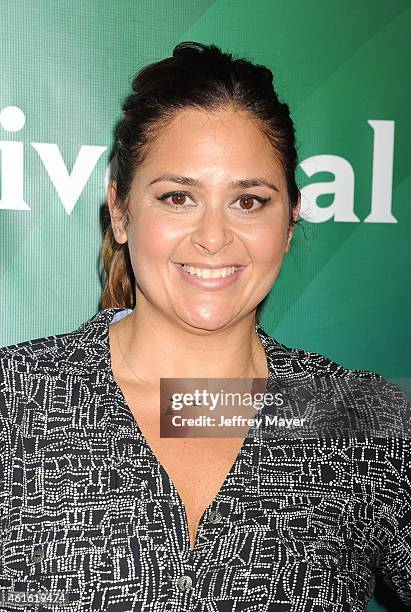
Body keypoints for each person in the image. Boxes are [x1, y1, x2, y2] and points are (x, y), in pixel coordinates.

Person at [0, 41, 410, 612]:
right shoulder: (12, 401)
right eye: (177, 196)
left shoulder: (365, 424)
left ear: (290, 221)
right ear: (121, 212)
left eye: (248, 201)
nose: (213, 238)